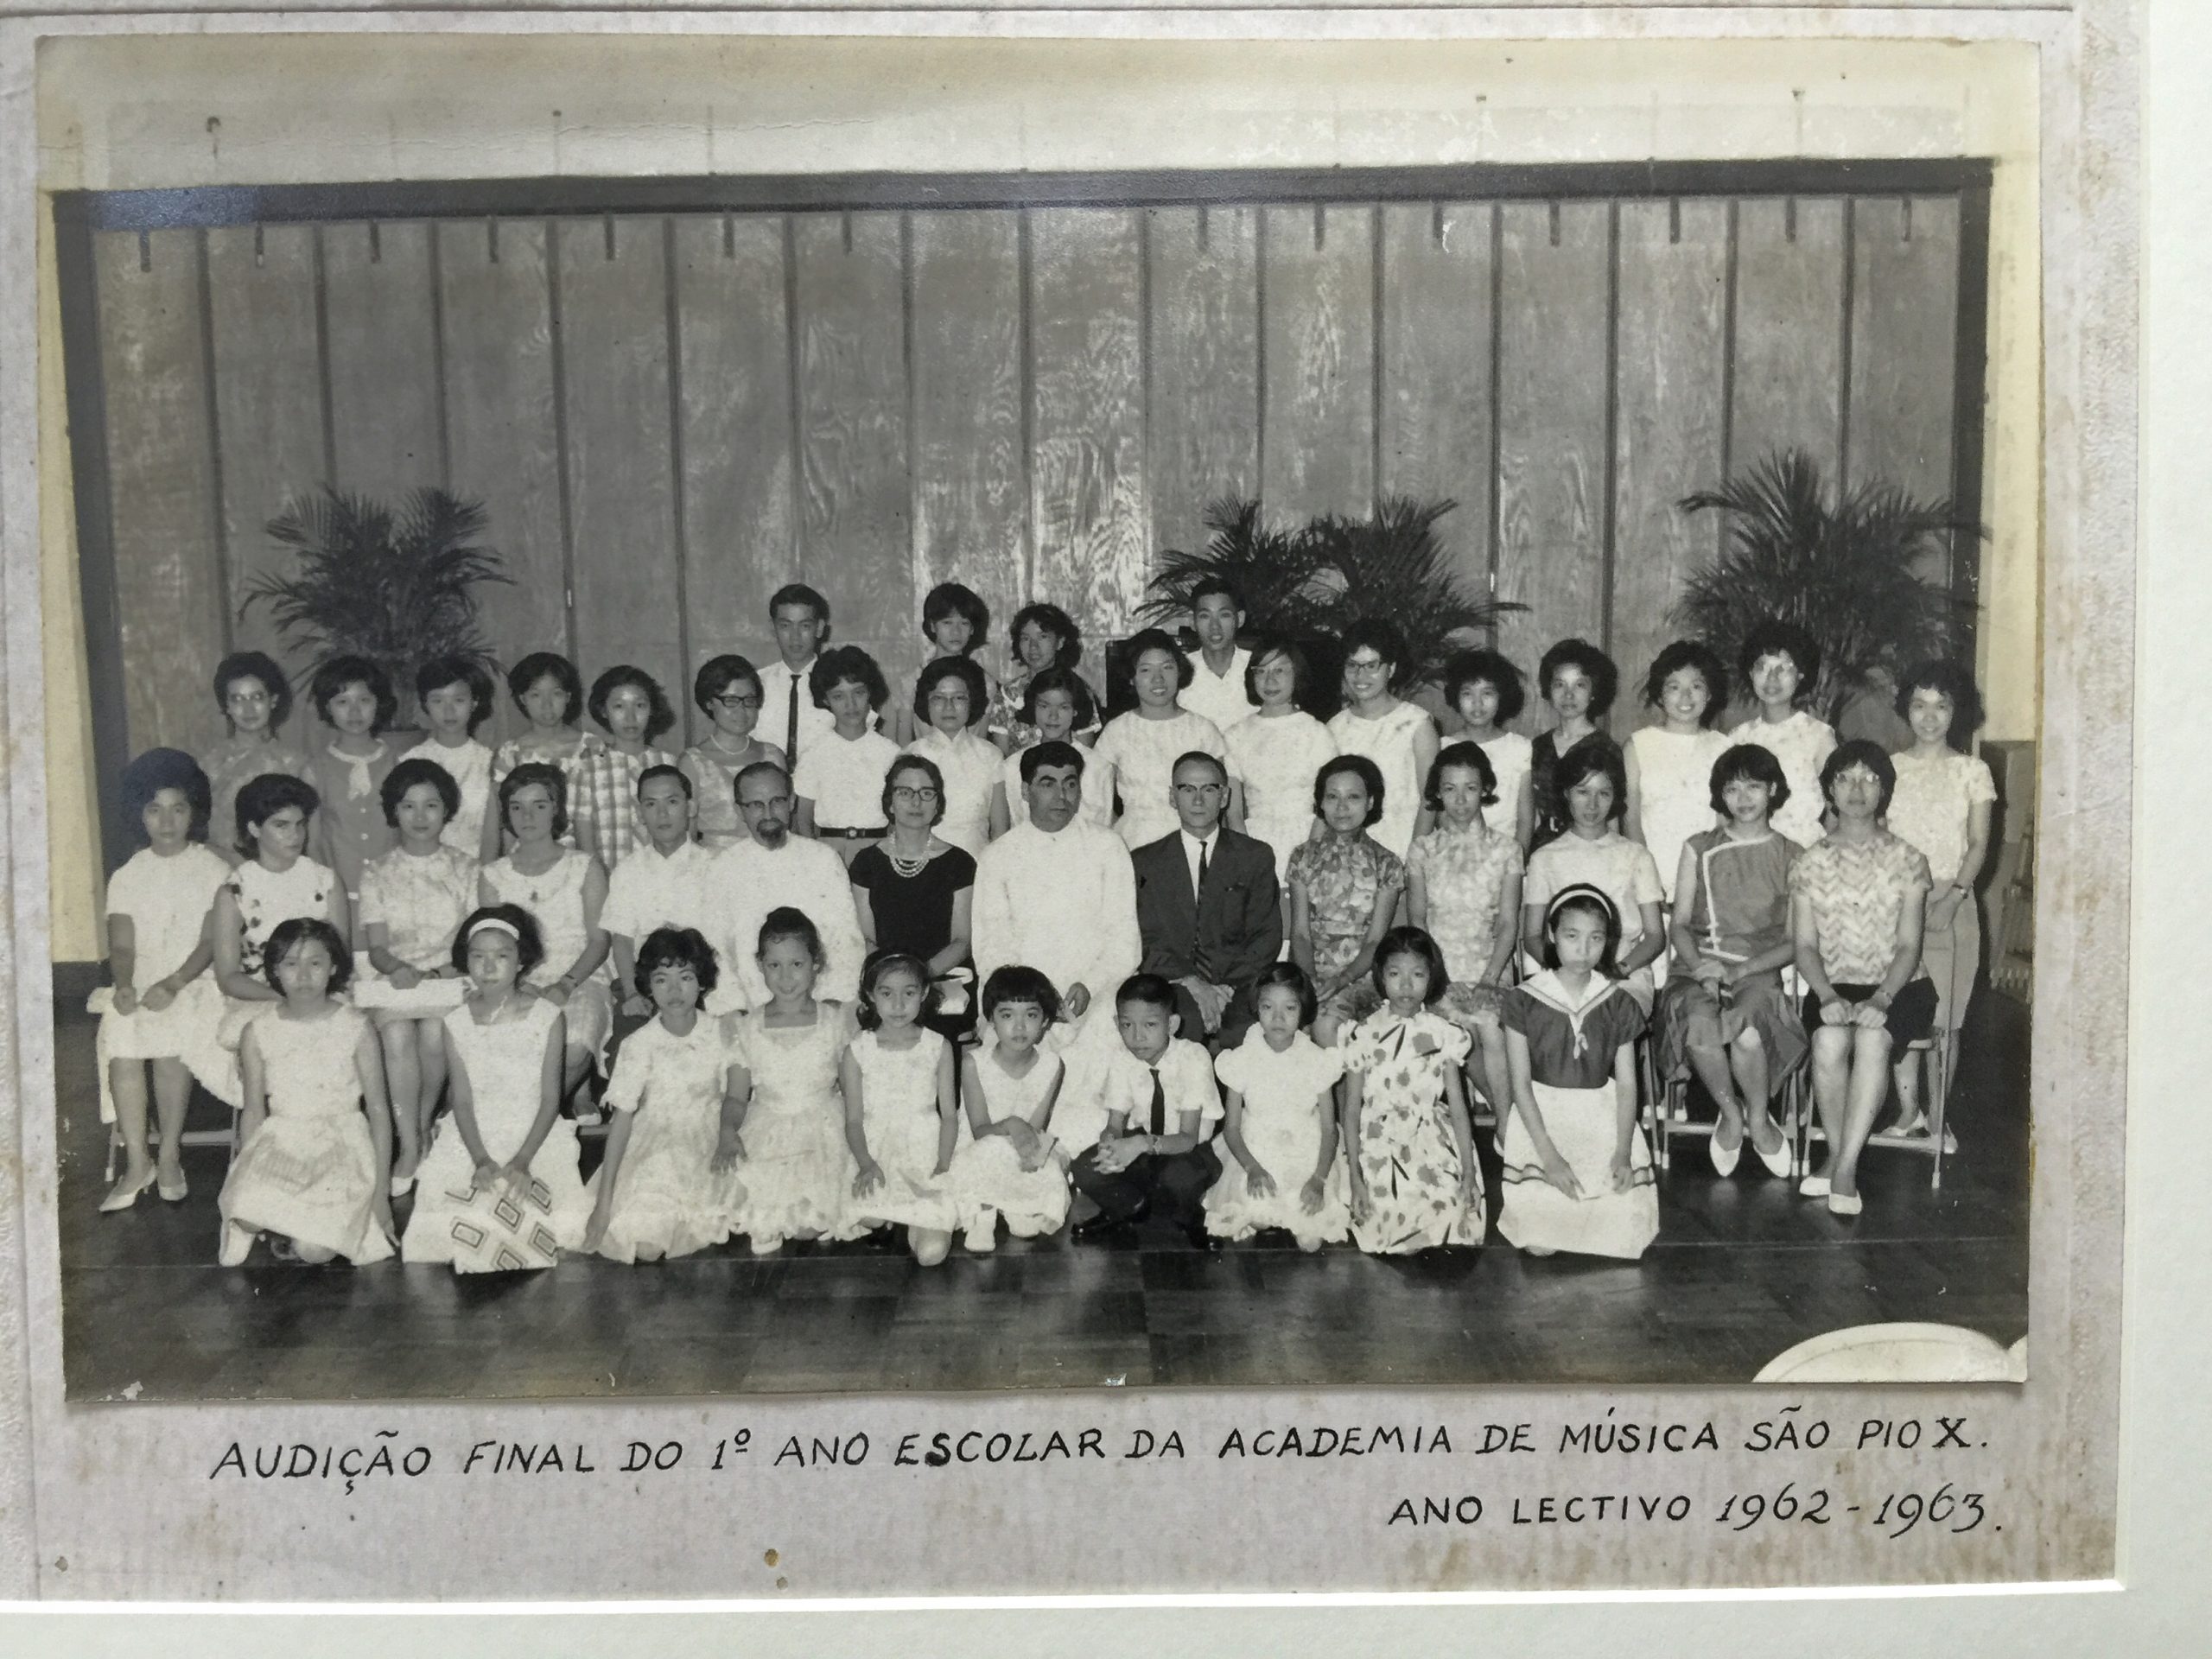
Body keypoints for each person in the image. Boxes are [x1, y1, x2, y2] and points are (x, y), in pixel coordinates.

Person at [970, 741, 1141, 1159]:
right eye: (1047, 784)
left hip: (1096, 997)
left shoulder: (1108, 847)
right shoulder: (998, 856)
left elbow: (1125, 942)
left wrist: (1089, 986)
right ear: (1025, 791)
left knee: (1094, 1099)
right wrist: (1037, 1003)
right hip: (1024, 1004)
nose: (1061, 796)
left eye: (1070, 784)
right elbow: (992, 947)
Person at [1789, 741, 1936, 1217]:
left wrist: (1882, 998)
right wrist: (1825, 994)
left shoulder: (1909, 859)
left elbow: (1909, 946)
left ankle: (1845, 1168)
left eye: (1870, 779)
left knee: (1873, 1040)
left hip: (1900, 985)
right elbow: (1804, 946)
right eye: (1845, 779)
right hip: (1833, 985)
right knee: (1828, 1041)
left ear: (1884, 791)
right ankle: (1839, 1157)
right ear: (1829, 790)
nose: (1857, 789)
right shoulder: (1808, 862)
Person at [400, 906, 591, 1271]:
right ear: (466, 961)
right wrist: (480, 1159)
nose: (488, 967)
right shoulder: (456, 1021)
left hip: (533, 1133)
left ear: (521, 961)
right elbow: (462, 1100)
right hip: (474, 1135)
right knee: (443, 1227)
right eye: (478, 957)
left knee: (544, 1218)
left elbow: (550, 1098)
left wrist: (522, 1160)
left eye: (501, 957)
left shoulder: (547, 1017)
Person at [1657, 745, 1804, 1179]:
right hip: (1696, 966)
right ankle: (1730, 1112)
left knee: (1747, 1030)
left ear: (1772, 790)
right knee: (1699, 1025)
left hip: (1756, 971)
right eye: (1732, 788)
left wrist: (1738, 971)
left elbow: (1795, 942)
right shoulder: (1698, 848)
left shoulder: (1793, 855)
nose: (1743, 798)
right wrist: (1702, 969)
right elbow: (1679, 924)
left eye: (1753, 786)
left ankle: (1759, 1117)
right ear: (1720, 795)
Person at [98, 749, 233, 1211]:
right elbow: (122, 948)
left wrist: (173, 984)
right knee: (121, 1035)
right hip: (142, 977)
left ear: (194, 812)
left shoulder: (214, 870)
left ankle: (170, 1153)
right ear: (140, 814)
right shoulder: (127, 875)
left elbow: (211, 943)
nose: (167, 821)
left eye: (178, 808)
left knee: (170, 1040)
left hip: (195, 978)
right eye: (155, 809)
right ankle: (138, 1162)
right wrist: (124, 984)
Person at [217, 918, 396, 1267]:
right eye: (290, 964)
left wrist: (381, 1195)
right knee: (246, 1211)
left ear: (333, 968)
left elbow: (378, 1111)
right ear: (274, 970)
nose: (303, 975)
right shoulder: (257, 1031)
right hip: (283, 1139)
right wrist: (246, 1170)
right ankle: (276, 1222)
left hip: (341, 1143)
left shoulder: (356, 1027)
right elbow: (253, 1111)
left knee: (315, 1252)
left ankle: (293, 1229)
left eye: (315, 963)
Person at [1496, 887, 1659, 1260]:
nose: (1584, 950)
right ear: (1552, 935)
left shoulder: (1617, 1001)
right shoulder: (1523, 999)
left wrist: (1622, 1152)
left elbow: (1627, 1084)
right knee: (1540, 1245)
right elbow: (1520, 1084)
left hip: (1598, 1119)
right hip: (1543, 1119)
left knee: (1622, 1235)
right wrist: (1549, 1158)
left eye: (1595, 938)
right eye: (1572, 936)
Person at [582, 926, 747, 1263]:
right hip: (654, 1139)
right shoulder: (638, 1044)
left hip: (709, 1135)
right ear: (648, 985)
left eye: (685, 978)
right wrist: (603, 1203)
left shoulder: (722, 1032)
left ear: (701, 982)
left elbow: (735, 1096)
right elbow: (622, 1122)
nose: (673, 990)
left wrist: (726, 1135)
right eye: (661, 980)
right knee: (645, 1244)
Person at [1883, 658, 1997, 1135]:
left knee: (1946, 1020)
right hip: (1896, 905)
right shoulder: (1889, 769)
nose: (1929, 717)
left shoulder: (1973, 771)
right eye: (1919, 705)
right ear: (1906, 709)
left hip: (1954, 900)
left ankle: (1938, 1120)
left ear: (1957, 711)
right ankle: (1908, 1112)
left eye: (1942, 706)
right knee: (1903, 1013)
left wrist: (1954, 898)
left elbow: (1979, 843)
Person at [357, 756, 476, 1193]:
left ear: (446, 810)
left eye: (431, 805)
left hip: (451, 978)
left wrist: (441, 971)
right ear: (394, 811)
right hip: (397, 982)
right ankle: (409, 1145)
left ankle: (422, 1124)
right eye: (408, 806)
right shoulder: (377, 872)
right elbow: (377, 948)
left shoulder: (467, 869)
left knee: (433, 1032)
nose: (420, 816)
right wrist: (397, 969)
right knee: (396, 1035)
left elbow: (474, 942)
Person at [721, 907, 861, 1255]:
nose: (785, 977)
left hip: (823, 1128)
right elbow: (737, 1097)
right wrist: (727, 1132)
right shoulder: (748, 1027)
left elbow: (852, 1089)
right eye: (774, 965)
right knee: (756, 1202)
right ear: (760, 965)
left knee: (808, 1225)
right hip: (768, 1125)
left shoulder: (835, 1021)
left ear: (816, 963)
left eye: (796, 964)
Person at [1341, 926, 1483, 1254]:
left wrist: (1469, 1173)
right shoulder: (1363, 1034)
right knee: (1387, 1212)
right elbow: (1351, 1111)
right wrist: (1355, 1178)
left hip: (1429, 1139)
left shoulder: (1444, 1034)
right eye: (1395, 974)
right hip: (1378, 1141)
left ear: (1431, 977)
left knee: (1449, 1206)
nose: (1406, 985)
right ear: (1381, 976)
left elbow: (1459, 1110)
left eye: (1417, 975)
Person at [479, 763, 613, 1099]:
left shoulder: (585, 866)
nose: (528, 816)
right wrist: (519, 985)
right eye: (517, 807)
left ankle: (528, 1118)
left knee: (575, 1049)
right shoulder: (493, 876)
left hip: (579, 979)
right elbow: (492, 947)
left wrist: (565, 985)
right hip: (516, 982)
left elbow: (599, 940)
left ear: (556, 809)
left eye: (539, 805)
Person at [1131, 751, 1282, 1049]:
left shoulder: (1255, 856)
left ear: (1224, 797)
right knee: (1181, 1022)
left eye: (1209, 789)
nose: (1198, 800)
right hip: (1175, 982)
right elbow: (1142, 938)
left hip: (1238, 984)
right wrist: (1191, 982)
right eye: (1187, 789)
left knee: (1247, 1031)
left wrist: (1223, 988)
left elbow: (1266, 935)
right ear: (1172, 797)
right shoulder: (1145, 862)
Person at [1405, 742, 1522, 1118]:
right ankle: (1511, 1123)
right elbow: (1417, 921)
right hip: (1440, 973)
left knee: (1489, 1025)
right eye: (1450, 788)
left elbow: (1508, 923)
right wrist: (1441, 978)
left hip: (1492, 970)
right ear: (1437, 792)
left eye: (1470, 788)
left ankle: (1506, 1124)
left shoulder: (1506, 849)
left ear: (1484, 789)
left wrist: (1488, 980)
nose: (1460, 800)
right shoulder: (1422, 850)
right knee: (1458, 1028)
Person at [1071, 974, 1225, 1248]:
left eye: (1150, 1025)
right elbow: (1115, 1123)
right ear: (1117, 1024)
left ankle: (1189, 1216)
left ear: (1172, 1024)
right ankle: (1131, 1208)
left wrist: (1139, 1144)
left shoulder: (1194, 1057)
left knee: (1177, 1178)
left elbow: (1188, 1138)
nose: (1137, 1036)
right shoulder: (1122, 1058)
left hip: (1186, 1151)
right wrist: (1109, 1143)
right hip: (1143, 1145)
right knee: (1085, 1167)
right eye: (1127, 1025)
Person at [1205, 962, 1350, 1252]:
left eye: (1290, 1008)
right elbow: (1232, 1128)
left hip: (1306, 1148)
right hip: (1255, 1147)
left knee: (1310, 1231)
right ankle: (1258, 1216)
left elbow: (1328, 1129)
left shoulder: (1317, 1060)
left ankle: (1299, 1218)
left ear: (1303, 1010)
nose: (1278, 1018)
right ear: (1257, 1008)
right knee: (1257, 1213)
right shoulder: (1242, 1059)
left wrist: (1319, 1179)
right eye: (1268, 1007)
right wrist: (1252, 1168)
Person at [705, 761, 866, 1013]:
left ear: (791, 802)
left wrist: (833, 1001)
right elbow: (718, 950)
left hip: (821, 1005)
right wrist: (735, 1011)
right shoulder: (722, 867)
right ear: (739, 811)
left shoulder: (823, 859)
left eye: (777, 801)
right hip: (748, 1009)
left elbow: (846, 942)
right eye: (756, 805)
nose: (768, 813)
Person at [1521, 742, 1667, 1012]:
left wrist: (1617, 971)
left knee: (1604, 1017)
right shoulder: (1545, 858)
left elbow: (1655, 936)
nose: (1592, 804)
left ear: (1615, 796)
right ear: (1566, 793)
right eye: (1582, 791)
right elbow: (1531, 936)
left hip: (1623, 976)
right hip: (1564, 972)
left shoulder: (1636, 855)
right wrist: (1564, 972)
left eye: (1604, 793)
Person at [211, 772, 347, 1056]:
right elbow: (228, 977)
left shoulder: (326, 881)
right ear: (254, 828)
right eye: (281, 825)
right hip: (262, 996)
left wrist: (311, 994)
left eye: (300, 824)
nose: (295, 835)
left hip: (321, 991)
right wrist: (283, 996)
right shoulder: (234, 891)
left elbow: (341, 956)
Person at [839, 951, 960, 1264]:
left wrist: (943, 1163)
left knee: (931, 1255)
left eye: (908, 993)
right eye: (886, 993)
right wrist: (866, 1163)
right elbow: (853, 1121)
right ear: (870, 995)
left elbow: (949, 1115)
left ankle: (916, 1223)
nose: (898, 1005)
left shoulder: (938, 1046)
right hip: (876, 1151)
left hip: (925, 1150)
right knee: (870, 1217)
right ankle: (890, 1219)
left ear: (924, 993)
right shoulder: (857, 1050)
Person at [849, 755, 976, 1040]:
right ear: (890, 802)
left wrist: (918, 980)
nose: (916, 802)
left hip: (943, 987)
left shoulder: (960, 863)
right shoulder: (866, 862)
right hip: (885, 992)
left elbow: (962, 941)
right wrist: (896, 985)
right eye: (905, 792)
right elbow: (866, 939)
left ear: (938, 803)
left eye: (926, 793)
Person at [948, 965, 1073, 1253]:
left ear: (1045, 1021)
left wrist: (1027, 1146)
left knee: (1050, 1165)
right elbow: (980, 1131)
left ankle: (1014, 1204)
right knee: (988, 1152)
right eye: (1007, 1015)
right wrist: (1013, 1123)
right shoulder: (974, 1063)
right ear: (991, 1019)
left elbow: (1035, 1130)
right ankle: (984, 1213)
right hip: (982, 1144)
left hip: (1023, 1145)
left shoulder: (1052, 1064)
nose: (1019, 1027)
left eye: (1031, 1015)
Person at [1287, 754, 1407, 1043]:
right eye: (1332, 797)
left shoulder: (1386, 863)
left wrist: (1342, 979)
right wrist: (1310, 979)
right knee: (1288, 1018)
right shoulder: (1302, 857)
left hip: (1362, 976)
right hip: (1310, 972)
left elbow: (1375, 940)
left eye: (1353, 797)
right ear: (1321, 802)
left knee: (1325, 1024)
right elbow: (1300, 934)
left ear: (1370, 802)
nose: (1342, 807)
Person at [600, 765, 715, 1046]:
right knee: (626, 1048)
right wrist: (631, 994)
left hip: (703, 988)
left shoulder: (714, 867)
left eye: (672, 802)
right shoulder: (628, 870)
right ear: (640, 813)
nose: (662, 814)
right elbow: (622, 939)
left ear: (690, 807)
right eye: (651, 804)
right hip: (644, 989)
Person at [1091, 627, 1229, 852]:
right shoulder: (1116, 731)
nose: (1158, 679)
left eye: (1167, 667)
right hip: (1133, 843)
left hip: (1194, 842)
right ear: (1132, 678)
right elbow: (1096, 801)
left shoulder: (1203, 730)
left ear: (1179, 672)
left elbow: (1220, 799)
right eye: (1146, 670)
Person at [1224, 636, 1338, 887]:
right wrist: (1249, 858)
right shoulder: (1236, 735)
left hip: (1310, 842)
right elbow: (1234, 814)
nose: (1270, 680)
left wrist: (1309, 856)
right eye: (1261, 671)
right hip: (1255, 843)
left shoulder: (1317, 733)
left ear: (1296, 675)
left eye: (1280, 671)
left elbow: (1327, 805)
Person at [1624, 641, 1732, 901]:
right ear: (1660, 696)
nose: (1685, 697)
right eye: (1674, 687)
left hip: (1707, 877)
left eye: (1696, 687)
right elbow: (1631, 820)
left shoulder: (1724, 747)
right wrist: (1649, 882)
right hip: (1650, 874)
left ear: (1709, 694)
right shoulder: (1637, 745)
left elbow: (1725, 823)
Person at [1326, 619, 1440, 861]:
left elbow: (1429, 800)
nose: (1360, 675)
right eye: (1352, 665)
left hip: (1401, 848)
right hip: (1347, 856)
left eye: (1371, 665)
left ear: (1391, 669)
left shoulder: (1417, 724)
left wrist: (1412, 860)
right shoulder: (1335, 727)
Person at [305, 654, 416, 901]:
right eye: (342, 702)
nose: (354, 711)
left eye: (364, 700)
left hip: (392, 892)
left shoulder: (397, 763)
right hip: (341, 896)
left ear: (378, 703)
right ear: (327, 707)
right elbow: (314, 843)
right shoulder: (316, 769)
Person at [1728, 620, 1837, 849]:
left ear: (1800, 675)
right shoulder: (1738, 738)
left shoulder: (1819, 736)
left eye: (1784, 668)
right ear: (1751, 673)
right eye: (1762, 667)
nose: (1772, 678)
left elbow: (1836, 810)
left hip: (1806, 852)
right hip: (1751, 854)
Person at [792, 645, 900, 866]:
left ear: (870, 692)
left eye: (858, 693)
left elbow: (898, 817)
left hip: (878, 849)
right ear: (825, 700)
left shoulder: (891, 753)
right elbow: (803, 820)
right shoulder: (814, 754)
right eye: (838, 696)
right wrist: (815, 860)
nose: (851, 705)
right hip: (828, 850)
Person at [201, 651, 309, 870]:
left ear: (273, 700)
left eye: (257, 697)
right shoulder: (210, 765)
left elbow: (309, 839)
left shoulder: (296, 765)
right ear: (226, 706)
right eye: (237, 699)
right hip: (221, 873)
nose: (248, 709)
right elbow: (195, 834)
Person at [575, 664, 679, 869]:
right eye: (619, 707)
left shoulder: (669, 763)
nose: (630, 718)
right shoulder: (587, 769)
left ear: (652, 709)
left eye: (640, 706)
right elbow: (584, 844)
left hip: (663, 877)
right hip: (610, 879)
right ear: (604, 711)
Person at [683, 654, 785, 853]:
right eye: (731, 701)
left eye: (749, 700)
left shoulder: (773, 755)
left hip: (769, 859)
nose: (741, 710)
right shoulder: (692, 762)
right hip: (714, 862)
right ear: (709, 703)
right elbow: (688, 835)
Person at [990, 665, 1110, 834]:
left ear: (1075, 711)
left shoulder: (1098, 767)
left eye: (1063, 707)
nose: (1053, 716)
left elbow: (1104, 827)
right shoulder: (1012, 766)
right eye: (1044, 706)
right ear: (1033, 707)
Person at [489, 652, 603, 828]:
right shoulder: (510, 754)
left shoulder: (592, 747)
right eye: (536, 695)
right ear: (523, 699)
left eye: (556, 694)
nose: (547, 704)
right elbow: (502, 815)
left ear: (568, 697)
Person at [1529, 639, 1621, 850]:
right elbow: (1533, 814)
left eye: (1580, 685)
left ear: (1593, 691)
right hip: (1544, 852)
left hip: (1591, 850)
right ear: (1549, 690)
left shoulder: (1606, 748)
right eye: (1559, 684)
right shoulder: (1538, 747)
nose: (1568, 695)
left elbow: (1612, 818)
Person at [903, 656, 1000, 856]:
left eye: (959, 698)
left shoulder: (991, 756)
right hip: (924, 863)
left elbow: (1000, 830)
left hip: (978, 863)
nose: (949, 707)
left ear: (972, 702)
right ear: (926, 703)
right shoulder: (910, 755)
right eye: (938, 698)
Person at [1441, 648, 1534, 849]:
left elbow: (1526, 819)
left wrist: (1517, 861)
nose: (1477, 703)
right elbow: (1441, 815)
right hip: (1457, 855)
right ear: (1455, 697)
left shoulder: (1519, 748)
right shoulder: (1443, 747)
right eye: (1468, 693)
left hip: (1506, 856)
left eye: (1487, 693)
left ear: (1502, 696)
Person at [894, 582, 1004, 749]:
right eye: (947, 622)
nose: (956, 632)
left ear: (972, 629)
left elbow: (981, 744)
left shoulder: (986, 682)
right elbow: (903, 746)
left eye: (964, 623)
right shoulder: (912, 680)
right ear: (932, 626)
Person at [415, 657, 502, 863]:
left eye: (459, 700)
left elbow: (492, 835)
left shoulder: (490, 762)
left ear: (474, 702)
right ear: (426, 704)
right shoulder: (411, 762)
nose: (449, 711)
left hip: (477, 868)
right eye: (438, 701)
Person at [995, 601, 1100, 749]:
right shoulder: (1007, 695)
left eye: (1042, 637)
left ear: (1060, 642)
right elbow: (1001, 756)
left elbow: (1085, 753)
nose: (1033, 647)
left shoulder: (1077, 689)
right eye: (1025, 638)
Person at [756, 583, 836, 773]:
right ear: (773, 628)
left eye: (805, 626)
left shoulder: (839, 685)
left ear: (819, 628)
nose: (795, 637)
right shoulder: (755, 685)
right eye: (785, 626)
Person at [1179, 578, 1258, 734]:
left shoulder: (1260, 668)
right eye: (1205, 616)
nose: (1214, 626)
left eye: (1224, 615)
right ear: (1192, 621)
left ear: (1240, 619)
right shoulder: (1178, 672)